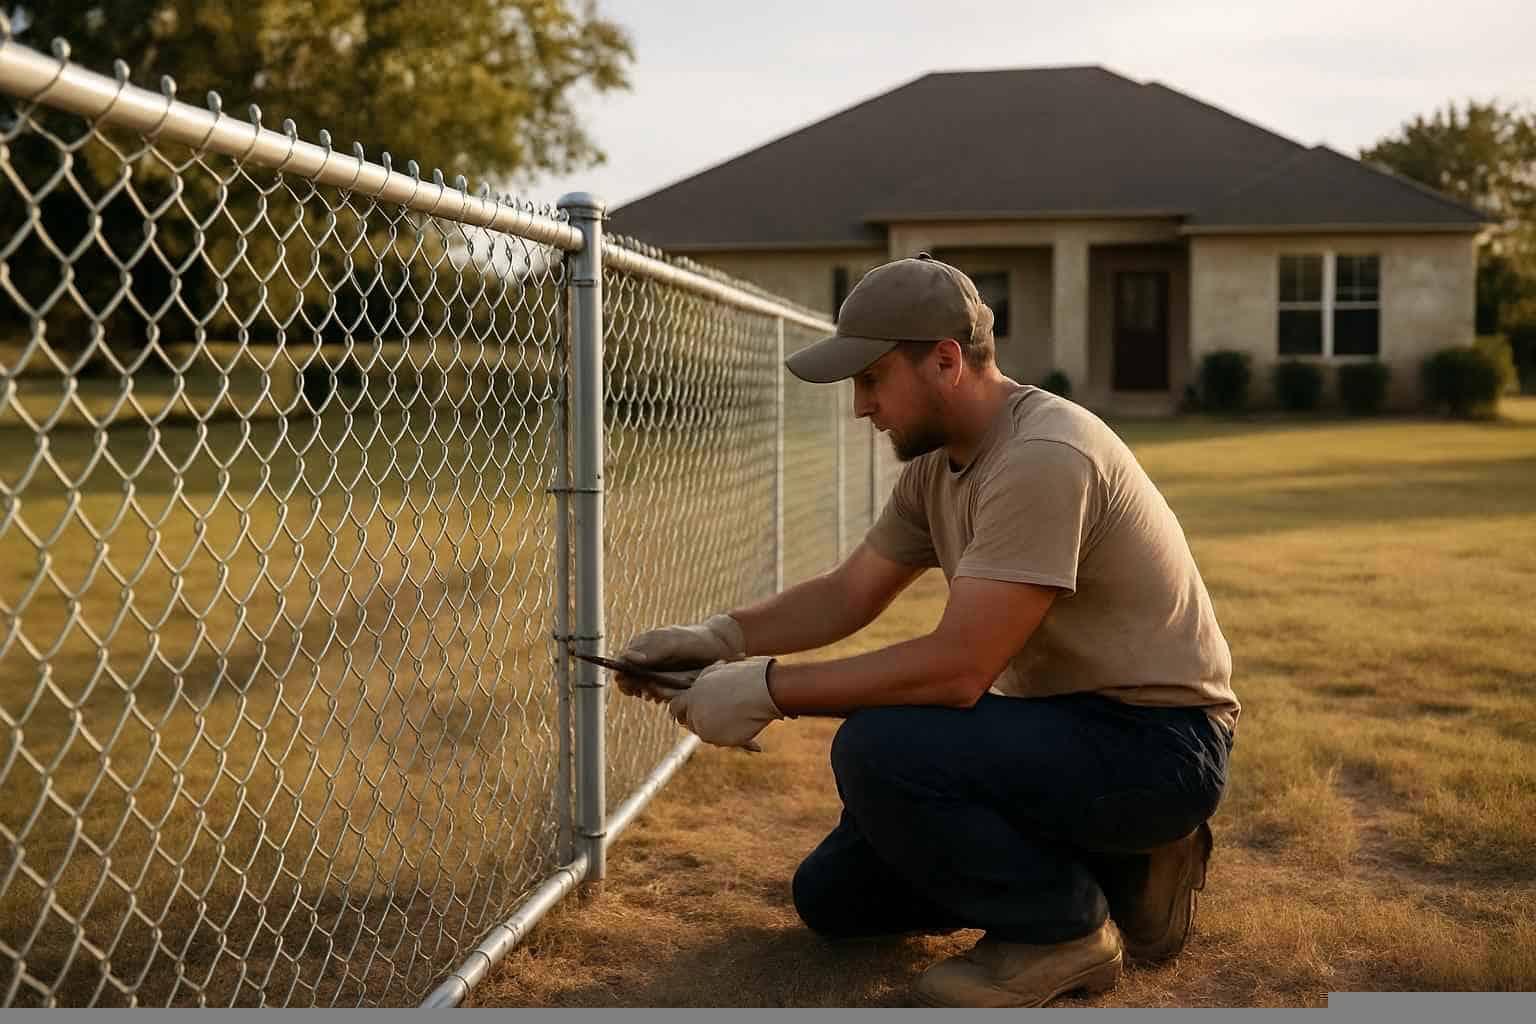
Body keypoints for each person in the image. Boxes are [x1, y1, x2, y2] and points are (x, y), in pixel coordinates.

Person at [613, 253, 1239, 1008]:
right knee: (833, 896)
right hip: (1064, 730)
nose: (860, 407)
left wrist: (767, 690)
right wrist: (720, 638)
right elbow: (848, 593)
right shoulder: (938, 464)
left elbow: (957, 671)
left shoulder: (1044, 454)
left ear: (946, 361)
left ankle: (1064, 929)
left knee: (881, 750)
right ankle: (1119, 866)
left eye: (872, 379)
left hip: (1158, 745)